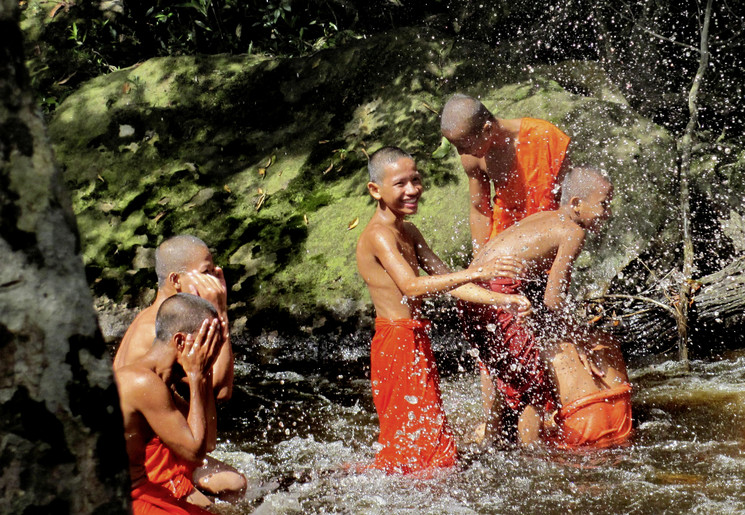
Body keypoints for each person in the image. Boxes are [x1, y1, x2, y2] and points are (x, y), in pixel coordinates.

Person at [355, 146, 531, 474]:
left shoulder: (408, 230)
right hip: (395, 343)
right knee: (417, 440)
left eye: (416, 180)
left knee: (425, 433)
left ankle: (406, 485)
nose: (412, 190)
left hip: (414, 338)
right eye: (400, 184)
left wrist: (504, 300)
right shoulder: (379, 235)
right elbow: (410, 286)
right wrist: (478, 271)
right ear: (375, 190)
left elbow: (447, 280)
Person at [464, 166, 625, 445]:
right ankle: (532, 459)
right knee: (533, 386)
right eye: (603, 205)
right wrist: (578, 338)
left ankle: (492, 439)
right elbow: (553, 299)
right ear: (576, 204)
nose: (608, 213)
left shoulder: (546, 218)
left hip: (473, 295)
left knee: (503, 367)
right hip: (498, 293)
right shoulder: (573, 231)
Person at [441, 93, 572, 434]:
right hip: (502, 257)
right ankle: (493, 422)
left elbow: (568, 209)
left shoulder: (545, 138)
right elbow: (480, 209)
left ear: (487, 128)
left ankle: (551, 412)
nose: (463, 156)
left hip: (539, 251)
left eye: (466, 145)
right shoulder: (473, 156)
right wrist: (478, 265)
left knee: (539, 334)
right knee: (494, 336)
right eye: (456, 147)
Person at [114, 235, 246, 506]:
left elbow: (205, 438)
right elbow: (221, 390)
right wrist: (220, 313)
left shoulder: (166, 317)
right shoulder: (158, 332)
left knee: (235, 484)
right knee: (216, 499)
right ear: (176, 280)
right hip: (146, 463)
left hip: (162, 440)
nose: (216, 283)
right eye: (206, 273)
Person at [115, 293, 223, 515]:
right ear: (181, 342)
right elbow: (193, 453)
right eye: (207, 344)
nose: (211, 354)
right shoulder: (142, 381)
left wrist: (205, 375)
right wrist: (195, 375)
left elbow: (208, 442)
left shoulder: (162, 388)